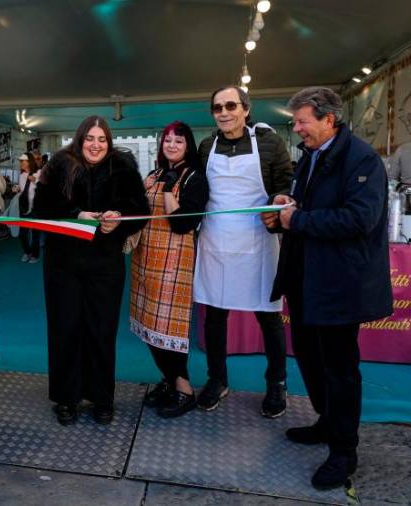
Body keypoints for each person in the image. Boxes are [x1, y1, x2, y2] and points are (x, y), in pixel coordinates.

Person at [262, 87, 392, 490]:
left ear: (328, 119)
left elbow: (359, 219)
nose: (297, 129)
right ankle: (326, 421)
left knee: (339, 368)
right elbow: (305, 202)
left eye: (302, 121)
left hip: (339, 282)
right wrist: (285, 201)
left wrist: (296, 220)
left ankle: (343, 453)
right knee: (309, 355)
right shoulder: (311, 156)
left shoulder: (362, 159)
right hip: (306, 279)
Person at [34, 115, 149, 425]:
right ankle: (66, 397)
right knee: (64, 329)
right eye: (90, 138)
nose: (96, 145)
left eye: (102, 139)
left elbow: (140, 211)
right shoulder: (58, 165)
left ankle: (102, 398)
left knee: (102, 331)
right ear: (80, 139)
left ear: (108, 142)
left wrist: (118, 220)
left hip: (105, 264)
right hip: (63, 265)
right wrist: (75, 214)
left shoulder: (123, 167)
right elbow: (40, 210)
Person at [193, 85, 294, 418]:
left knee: (268, 316)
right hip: (215, 240)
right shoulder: (206, 145)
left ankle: (277, 383)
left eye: (230, 106)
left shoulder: (269, 143)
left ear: (246, 109)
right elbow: (199, 187)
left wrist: (279, 200)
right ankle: (217, 379)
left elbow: (285, 182)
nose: (223, 112)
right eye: (217, 107)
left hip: (257, 240)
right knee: (214, 316)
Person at [130, 121, 208, 418]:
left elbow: (182, 223)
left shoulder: (195, 178)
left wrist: (167, 191)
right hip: (145, 259)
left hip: (173, 264)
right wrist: (143, 188)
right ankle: (168, 379)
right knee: (150, 326)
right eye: (167, 140)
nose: (172, 145)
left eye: (179, 141)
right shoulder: (157, 173)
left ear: (188, 145)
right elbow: (138, 211)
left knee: (168, 328)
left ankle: (184, 388)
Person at [16, 152, 41, 263]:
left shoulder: (38, 172)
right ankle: (27, 252)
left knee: (36, 234)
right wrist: (17, 188)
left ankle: (35, 255)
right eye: (20, 161)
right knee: (22, 234)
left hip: (36, 207)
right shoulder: (21, 175)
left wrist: (35, 180)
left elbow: (44, 186)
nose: (21, 163)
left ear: (29, 162)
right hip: (24, 207)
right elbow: (23, 191)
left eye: (23, 161)